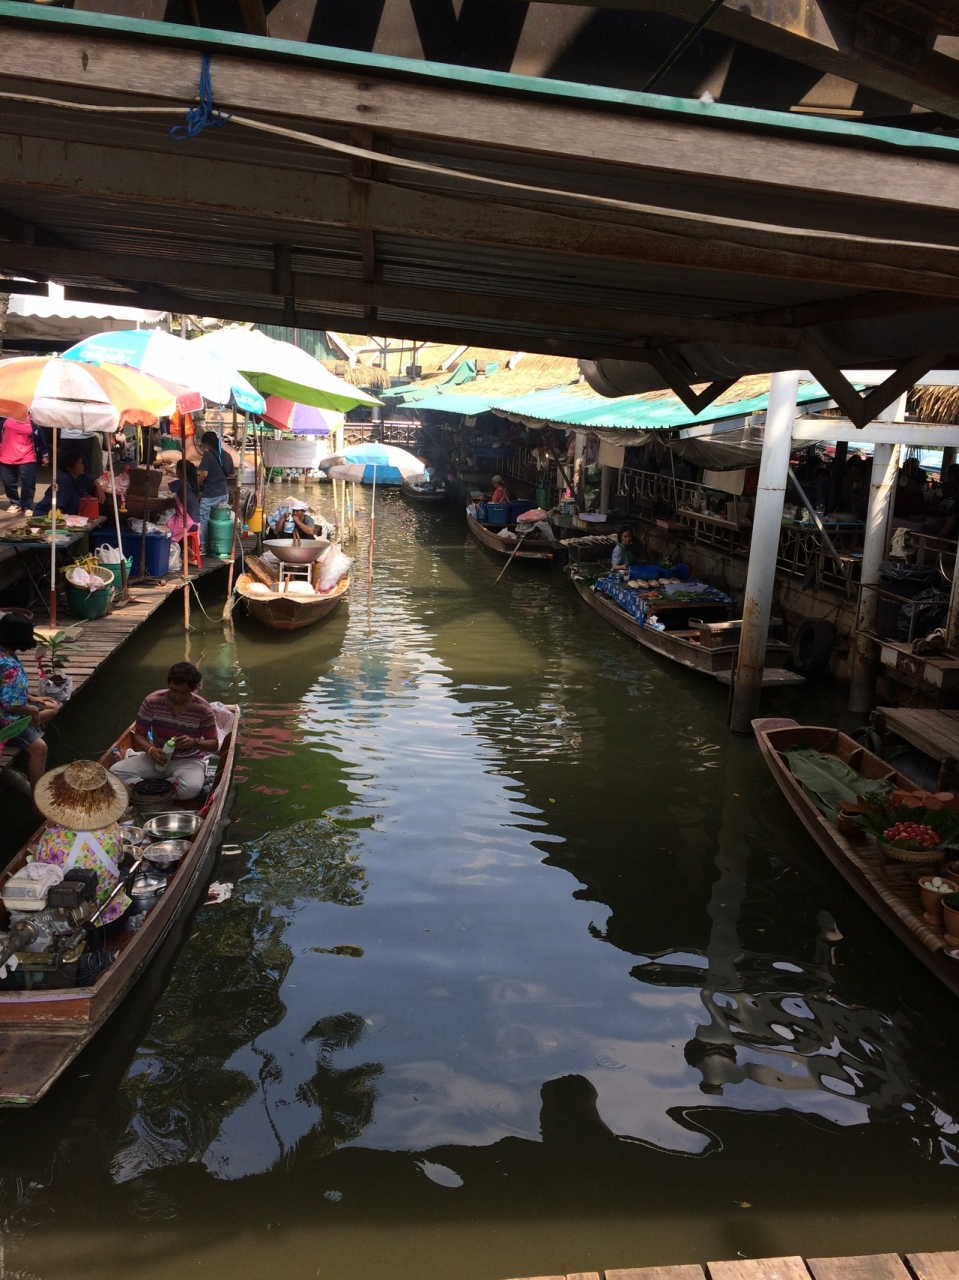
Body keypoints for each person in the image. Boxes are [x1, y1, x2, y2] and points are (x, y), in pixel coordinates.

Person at [33, 759, 131, 935]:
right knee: (128, 860)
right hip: (112, 918)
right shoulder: (112, 828)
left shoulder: (50, 838)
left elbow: (41, 878)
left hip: (69, 928)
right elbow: (120, 858)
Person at [110, 661, 218, 801]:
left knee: (191, 787)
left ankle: (147, 790)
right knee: (115, 772)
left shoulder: (203, 709)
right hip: (157, 757)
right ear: (168, 684)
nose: (177, 696)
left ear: (193, 689)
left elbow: (214, 744)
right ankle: (163, 789)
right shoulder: (152, 701)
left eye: (183, 693)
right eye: (173, 690)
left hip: (188, 760)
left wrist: (194, 742)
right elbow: (139, 735)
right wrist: (151, 750)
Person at [0, 613, 60, 788]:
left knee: (52, 706)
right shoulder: (10, 666)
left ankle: (33, 725)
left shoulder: (4, 654)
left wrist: (32, 698)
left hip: (8, 705)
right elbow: (10, 706)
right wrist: (33, 710)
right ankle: (36, 795)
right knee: (40, 748)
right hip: (5, 719)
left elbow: (5, 689)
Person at [33, 450, 104, 518]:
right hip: (47, 514)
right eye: (79, 464)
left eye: (81, 463)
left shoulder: (80, 476)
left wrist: (98, 486)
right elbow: (59, 507)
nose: (82, 466)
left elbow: (92, 481)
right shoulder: (64, 480)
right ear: (69, 467)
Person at [0, 416, 48, 518]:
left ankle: (27, 506)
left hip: (27, 455)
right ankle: (15, 503)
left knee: (28, 482)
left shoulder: (34, 420)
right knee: (8, 482)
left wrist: (45, 455)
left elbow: (41, 437)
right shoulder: (4, 417)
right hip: (6, 454)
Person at [196, 431, 235, 551]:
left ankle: (203, 545)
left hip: (210, 493)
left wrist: (197, 483)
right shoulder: (227, 455)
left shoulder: (207, 455)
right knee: (219, 519)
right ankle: (218, 543)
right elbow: (232, 474)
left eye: (204, 444)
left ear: (208, 443)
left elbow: (204, 473)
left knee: (203, 518)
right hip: (223, 492)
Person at [167, 458, 200, 541]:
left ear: (179, 471)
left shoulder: (180, 483)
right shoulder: (191, 483)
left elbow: (158, 488)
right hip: (196, 521)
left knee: (164, 529)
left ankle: (169, 545)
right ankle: (184, 546)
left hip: (187, 522)